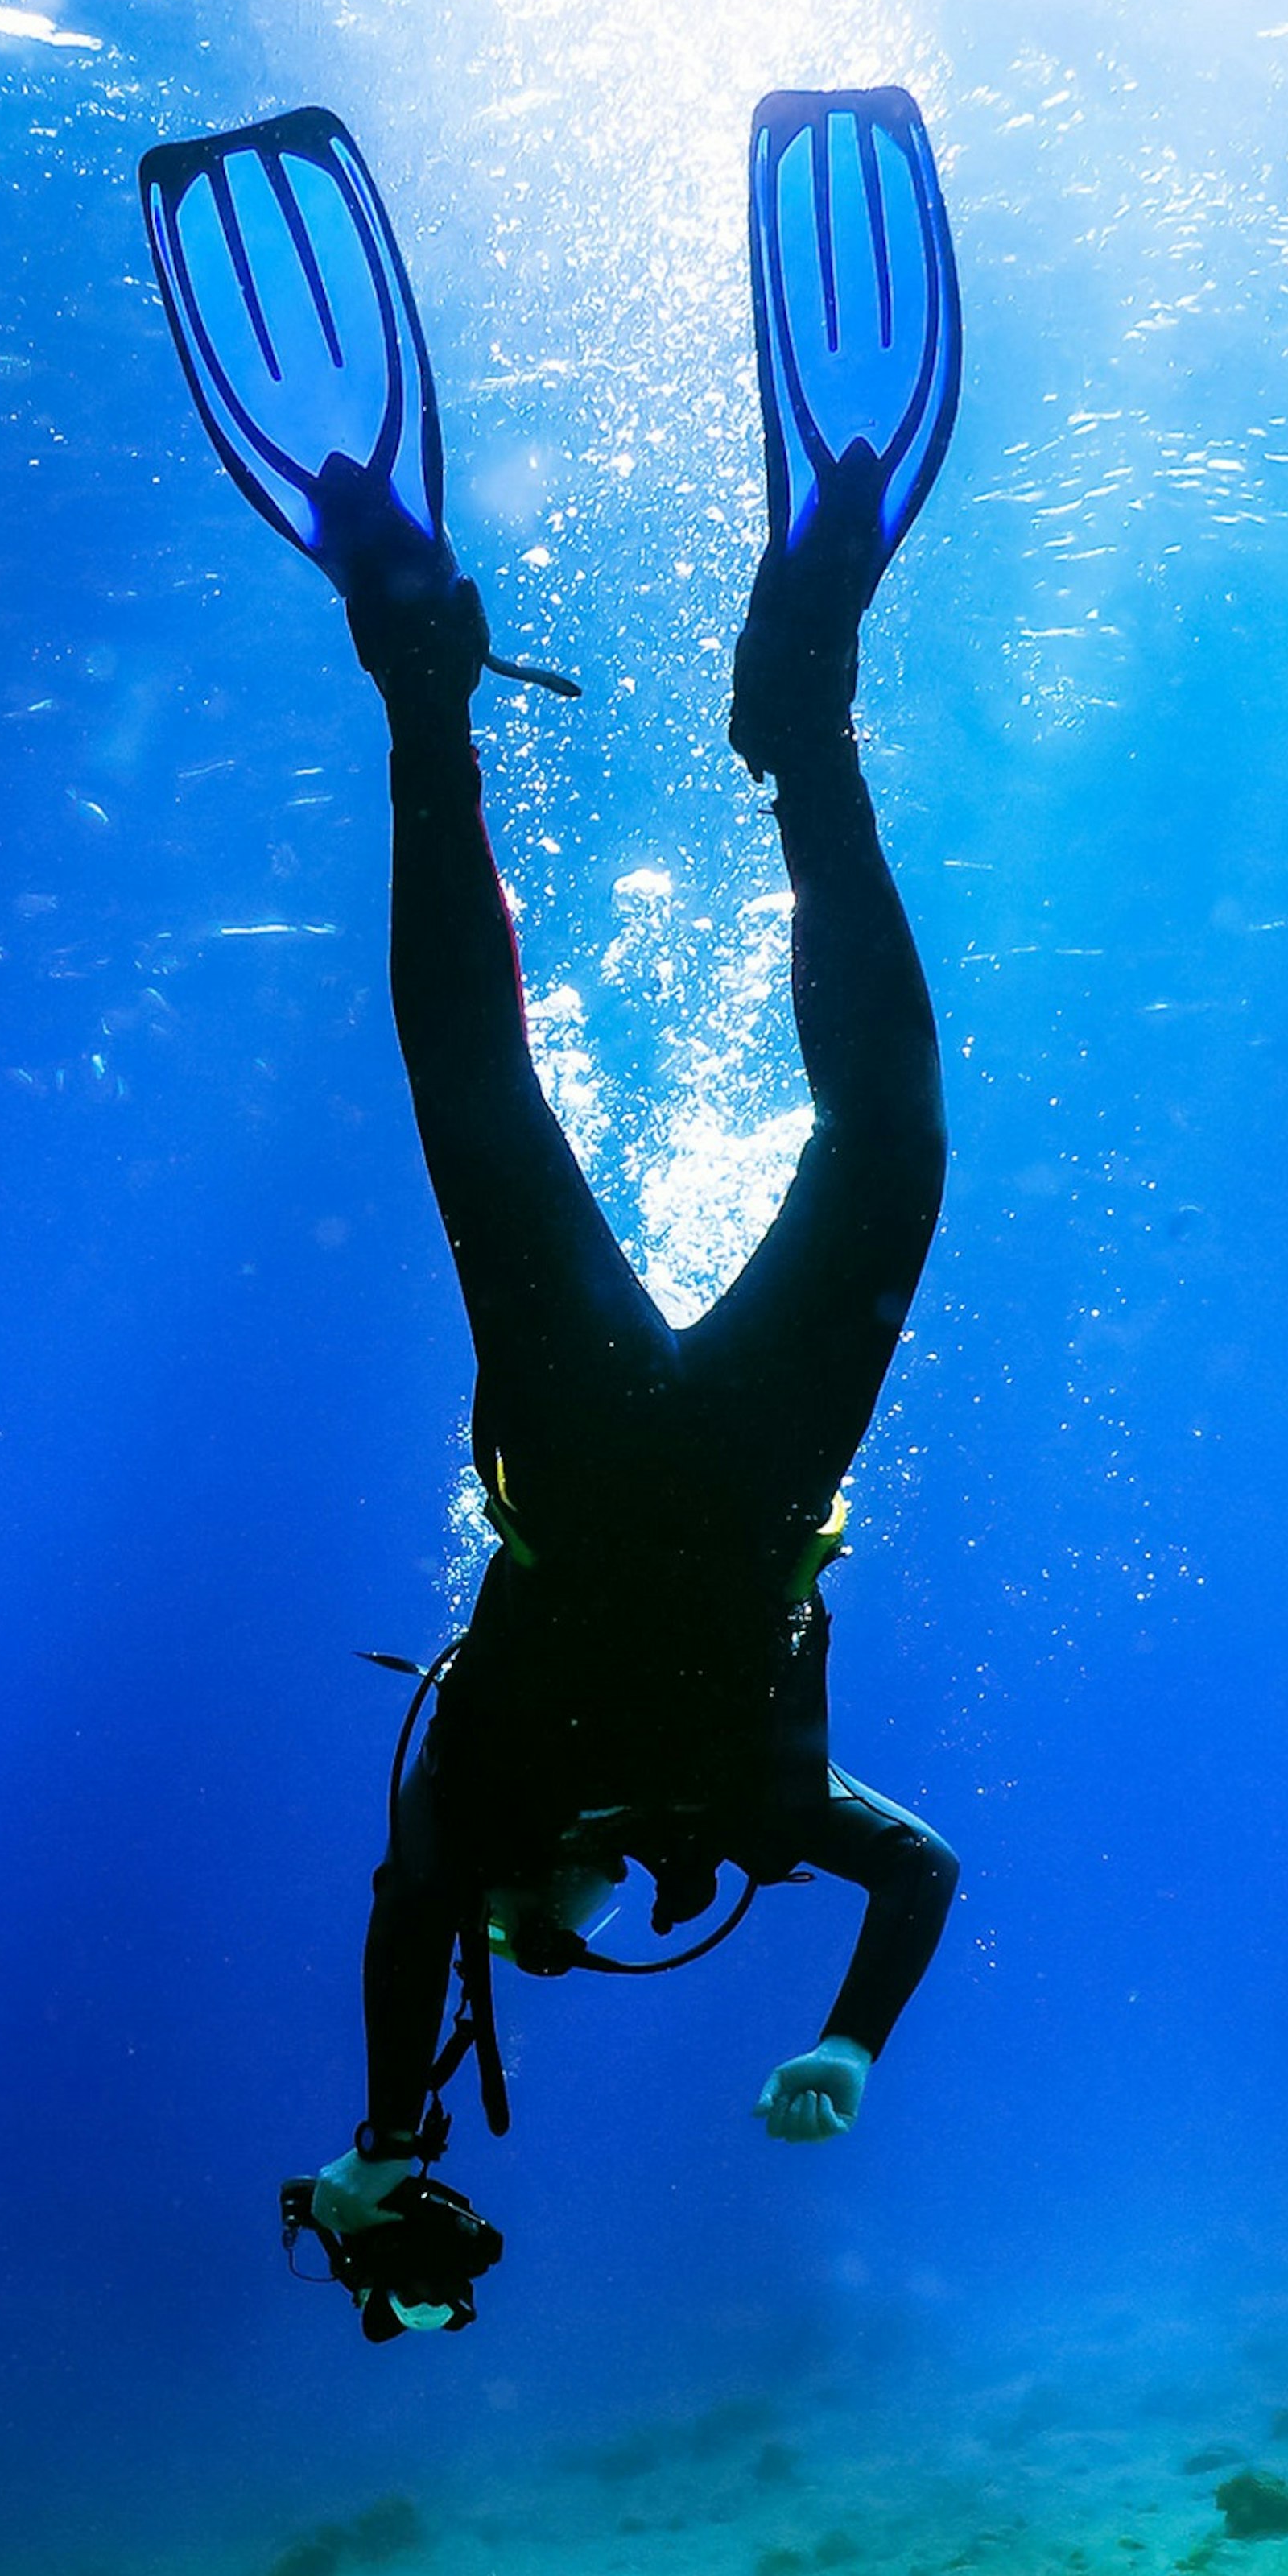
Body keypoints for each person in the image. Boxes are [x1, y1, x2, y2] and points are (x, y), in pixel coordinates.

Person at [296, 449, 960, 2337]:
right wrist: (851, 2046)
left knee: (480, 1109)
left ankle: (423, 686)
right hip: (758, 1482)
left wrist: (378, 2141)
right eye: (569, 1956)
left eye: (535, 1953)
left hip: (582, 1470)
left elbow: (408, 1923)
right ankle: (803, 718)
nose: (550, 1941)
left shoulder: (473, 1815)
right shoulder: (754, 1823)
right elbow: (918, 1873)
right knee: (898, 1143)